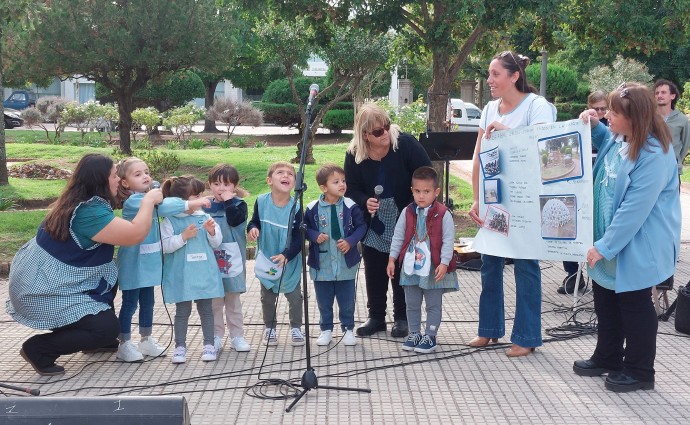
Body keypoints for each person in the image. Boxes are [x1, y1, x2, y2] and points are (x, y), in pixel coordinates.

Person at [6, 153, 163, 376]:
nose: (118, 179)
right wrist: (148, 200)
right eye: (113, 175)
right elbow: (134, 234)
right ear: (100, 180)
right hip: (41, 292)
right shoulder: (88, 213)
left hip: (46, 281)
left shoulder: (82, 200)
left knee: (109, 276)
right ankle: (38, 349)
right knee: (108, 329)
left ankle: (91, 339)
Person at [573, 83, 680, 392]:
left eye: (614, 113)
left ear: (635, 118)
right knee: (605, 297)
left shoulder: (655, 153)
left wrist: (605, 246)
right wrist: (594, 125)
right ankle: (608, 356)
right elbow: (606, 139)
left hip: (638, 242)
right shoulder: (621, 138)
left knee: (634, 303)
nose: (608, 116)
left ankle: (639, 370)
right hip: (611, 240)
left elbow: (635, 210)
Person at [468, 50, 556, 357]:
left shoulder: (537, 106)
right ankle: (489, 330)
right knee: (490, 264)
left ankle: (527, 336)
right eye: (489, 73)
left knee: (525, 265)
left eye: (495, 74)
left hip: (527, 201)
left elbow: (545, 147)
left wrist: (508, 132)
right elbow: (479, 155)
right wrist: (477, 198)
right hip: (496, 201)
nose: (489, 80)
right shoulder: (489, 108)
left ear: (514, 76)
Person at [344, 103, 432, 338]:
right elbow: (350, 188)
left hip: (406, 213)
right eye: (377, 131)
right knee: (374, 266)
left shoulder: (405, 144)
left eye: (386, 126)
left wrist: (419, 204)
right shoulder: (354, 153)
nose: (385, 133)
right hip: (374, 219)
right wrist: (365, 201)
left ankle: (402, 317)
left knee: (403, 264)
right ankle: (376, 317)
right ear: (365, 135)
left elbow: (427, 175)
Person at [115, 157, 210, 362]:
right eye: (137, 174)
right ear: (124, 182)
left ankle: (146, 339)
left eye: (147, 172)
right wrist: (193, 203)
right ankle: (124, 342)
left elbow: (165, 203)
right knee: (130, 303)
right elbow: (165, 207)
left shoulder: (150, 197)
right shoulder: (134, 201)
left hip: (149, 261)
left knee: (148, 301)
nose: (145, 176)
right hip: (133, 262)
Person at [387, 166, 458, 354]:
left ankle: (430, 335)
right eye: (417, 191)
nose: (421, 196)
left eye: (426, 192)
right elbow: (398, 236)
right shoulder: (407, 212)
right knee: (411, 302)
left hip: (433, 267)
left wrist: (444, 263)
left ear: (436, 192)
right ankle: (415, 333)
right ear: (412, 191)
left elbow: (448, 241)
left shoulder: (444, 214)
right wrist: (392, 259)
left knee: (433, 303)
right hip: (411, 266)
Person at [160, 175, 224, 364]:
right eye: (196, 196)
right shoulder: (169, 221)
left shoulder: (205, 217)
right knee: (182, 311)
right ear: (181, 201)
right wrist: (183, 237)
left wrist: (212, 232)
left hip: (203, 273)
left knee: (206, 309)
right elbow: (165, 246)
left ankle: (209, 344)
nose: (202, 200)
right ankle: (180, 347)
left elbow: (216, 242)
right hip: (182, 275)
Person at [305, 164, 367, 347]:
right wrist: (315, 236)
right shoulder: (312, 208)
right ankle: (326, 329)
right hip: (322, 263)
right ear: (323, 187)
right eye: (336, 182)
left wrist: (351, 240)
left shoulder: (351, 206)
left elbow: (361, 226)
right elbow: (304, 228)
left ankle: (348, 328)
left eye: (343, 181)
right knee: (324, 300)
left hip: (345, 263)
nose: (342, 185)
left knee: (346, 300)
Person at [557, 90, 610, 295]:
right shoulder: (581, 126)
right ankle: (572, 275)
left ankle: (600, 277)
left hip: (600, 189)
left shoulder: (611, 129)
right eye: (595, 109)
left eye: (603, 109)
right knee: (570, 228)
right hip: (579, 187)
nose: (599, 113)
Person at [247, 161, 305, 347]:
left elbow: (298, 236)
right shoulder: (262, 201)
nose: (286, 175)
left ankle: (296, 327)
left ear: (295, 183)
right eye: (280, 172)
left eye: (290, 174)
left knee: (295, 297)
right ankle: (269, 328)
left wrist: (287, 254)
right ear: (269, 180)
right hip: (267, 259)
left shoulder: (296, 207)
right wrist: (253, 228)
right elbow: (254, 221)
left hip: (288, 259)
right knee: (268, 296)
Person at [204, 164, 251, 353]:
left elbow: (234, 220)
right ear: (210, 185)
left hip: (233, 260)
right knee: (214, 303)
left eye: (226, 184)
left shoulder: (239, 205)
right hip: (210, 260)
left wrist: (229, 202)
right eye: (216, 184)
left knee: (233, 303)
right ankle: (215, 337)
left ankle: (237, 336)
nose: (221, 189)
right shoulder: (205, 205)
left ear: (234, 186)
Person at [654, 79, 690, 177]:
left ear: (672, 96)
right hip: (651, 168)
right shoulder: (648, 118)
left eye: (663, 92)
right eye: (657, 93)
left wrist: (676, 160)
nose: (659, 95)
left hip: (672, 169)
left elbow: (686, 144)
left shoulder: (682, 119)